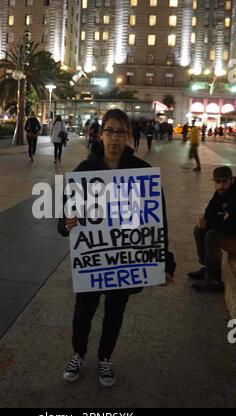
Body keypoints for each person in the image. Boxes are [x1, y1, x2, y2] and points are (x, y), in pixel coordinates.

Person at [58, 109, 176, 387]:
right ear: (100, 134)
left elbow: (157, 224)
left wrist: (165, 262)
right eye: (110, 131)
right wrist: (67, 222)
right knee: (83, 311)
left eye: (121, 132)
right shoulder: (83, 173)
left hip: (125, 263)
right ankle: (78, 353)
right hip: (94, 262)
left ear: (128, 136)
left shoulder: (143, 173)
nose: (115, 137)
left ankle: (104, 359)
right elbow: (64, 218)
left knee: (115, 311)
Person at [188, 166, 236, 292]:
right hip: (230, 231)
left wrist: (209, 224)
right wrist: (203, 221)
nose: (221, 185)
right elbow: (210, 212)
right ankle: (207, 268)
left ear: (231, 180)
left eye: (224, 181)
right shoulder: (220, 192)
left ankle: (214, 280)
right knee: (199, 230)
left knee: (212, 236)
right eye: (217, 182)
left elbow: (231, 226)